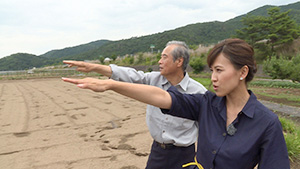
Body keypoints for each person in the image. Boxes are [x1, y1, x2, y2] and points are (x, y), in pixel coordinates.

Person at [62, 38, 290, 169]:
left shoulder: (266, 123)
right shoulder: (206, 104)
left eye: (219, 71)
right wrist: (110, 84)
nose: (213, 78)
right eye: (212, 71)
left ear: (243, 72)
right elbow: (162, 97)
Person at [63, 41, 207, 169]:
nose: (159, 61)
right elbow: (130, 75)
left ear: (179, 61)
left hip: (184, 156)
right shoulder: (153, 79)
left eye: (164, 57)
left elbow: (207, 131)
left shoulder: (199, 92)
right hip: (158, 152)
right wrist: (94, 67)